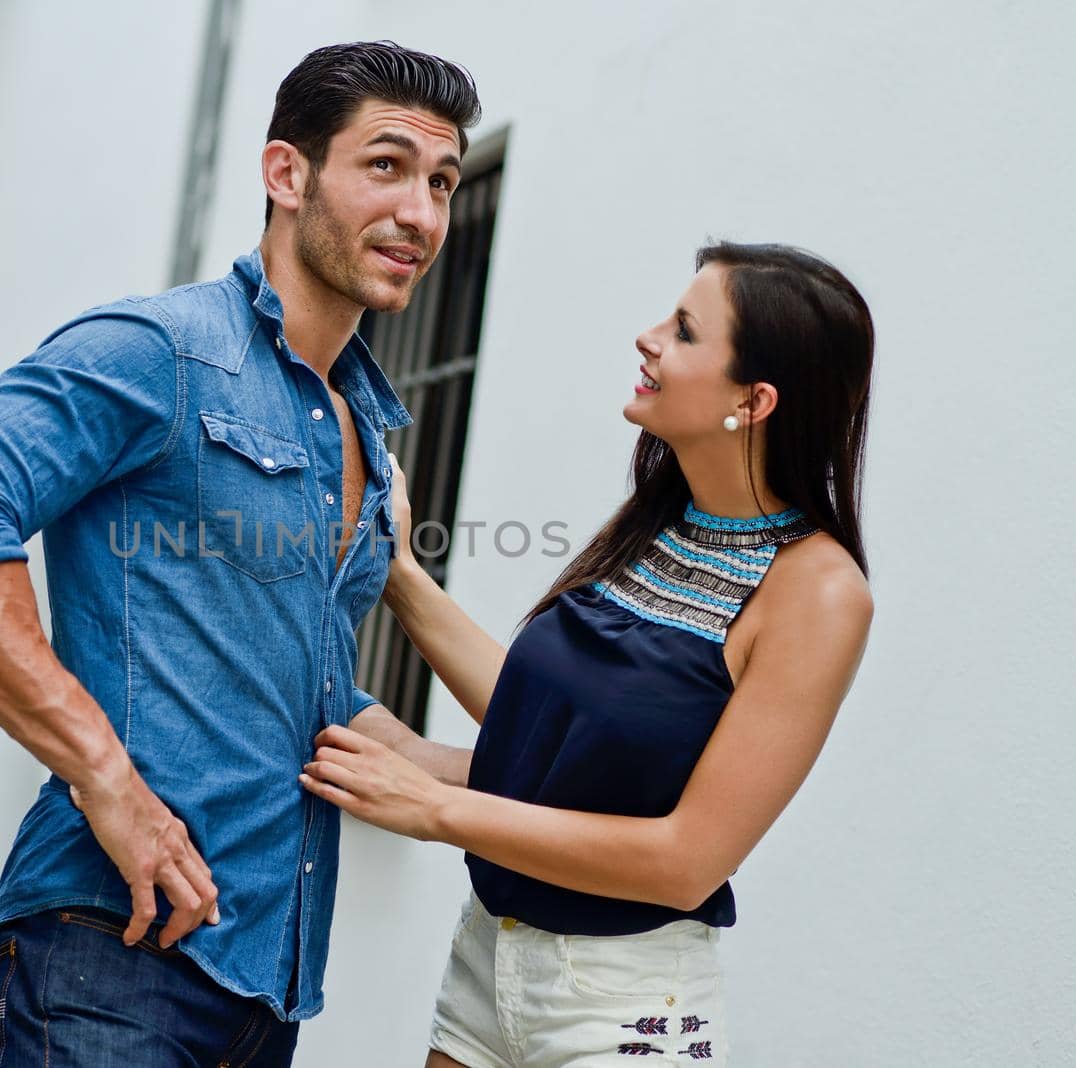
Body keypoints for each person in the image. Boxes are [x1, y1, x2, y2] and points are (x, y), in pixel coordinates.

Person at [0, 40, 480, 1068]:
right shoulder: (159, 352)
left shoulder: (362, 432)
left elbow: (308, 697)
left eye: (443, 183)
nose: (421, 213)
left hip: (260, 988)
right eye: (385, 166)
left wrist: (510, 781)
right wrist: (106, 777)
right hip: (111, 953)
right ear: (286, 174)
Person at [300, 242, 876, 1066]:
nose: (647, 338)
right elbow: (558, 726)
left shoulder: (817, 593)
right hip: (487, 961)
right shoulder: (655, 523)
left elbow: (686, 860)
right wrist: (398, 579)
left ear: (753, 401)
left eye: (682, 332)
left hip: (625, 1008)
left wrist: (433, 808)